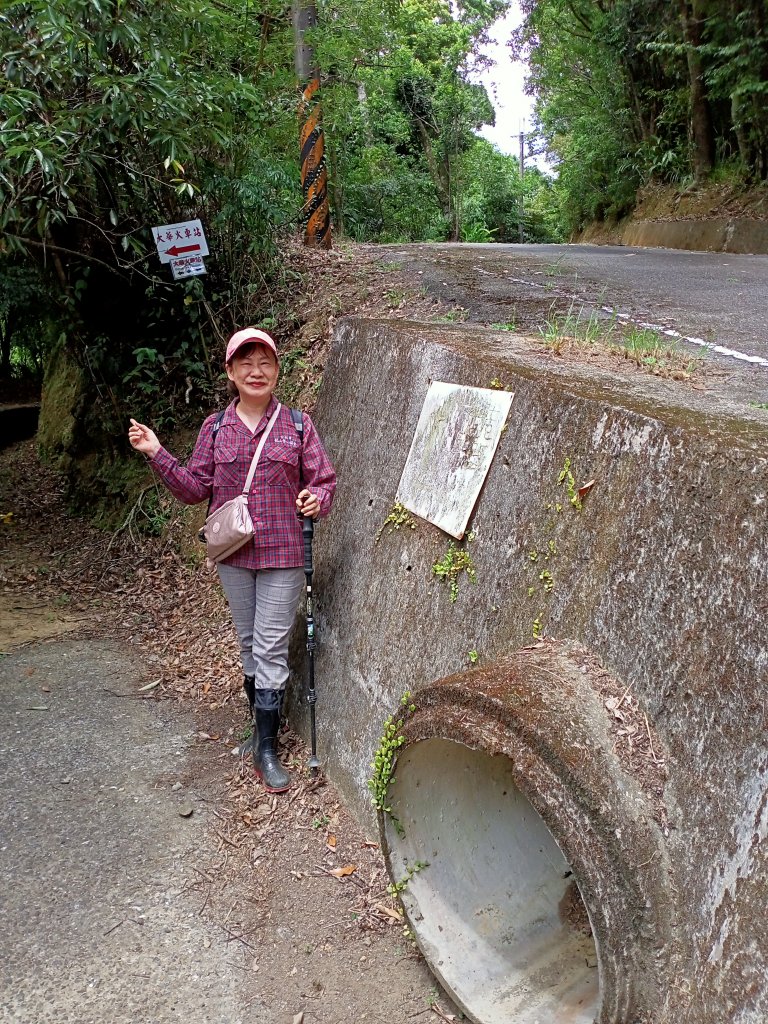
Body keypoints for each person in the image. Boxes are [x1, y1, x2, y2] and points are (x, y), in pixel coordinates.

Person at [128, 327, 336, 793]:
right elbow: (194, 489)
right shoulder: (215, 428)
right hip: (232, 554)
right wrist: (156, 453)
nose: (256, 371)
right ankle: (259, 730)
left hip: (283, 552)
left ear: (277, 370)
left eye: (265, 362)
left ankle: (267, 751)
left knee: (268, 645)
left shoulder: (298, 425)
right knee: (248, 642)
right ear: (230, 372)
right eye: (246, 362)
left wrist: (314, 499)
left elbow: (324, 480)